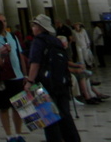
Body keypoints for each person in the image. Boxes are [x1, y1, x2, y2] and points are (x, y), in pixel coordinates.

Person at [25, 14, 80, 142]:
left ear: (39, 28)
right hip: (62, 82)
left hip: (43, 84)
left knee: (48, 117)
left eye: (34, 26)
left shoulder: (38, 41)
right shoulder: (55, 40)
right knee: (65, 114)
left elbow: (35, 63)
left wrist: (29, 81)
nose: (33, 28)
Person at [0, 14, 27, 142]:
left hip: (17, 76)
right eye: (0, 21)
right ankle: (9, 135)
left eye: (5, 20)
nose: (3, 23)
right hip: (4, 78)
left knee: (18, 107)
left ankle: (18, 133)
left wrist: (25, 74)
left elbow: (20, 56)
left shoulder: (12, 36)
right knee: (4, 107)